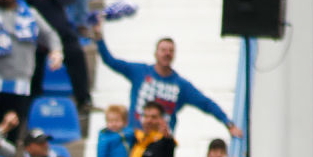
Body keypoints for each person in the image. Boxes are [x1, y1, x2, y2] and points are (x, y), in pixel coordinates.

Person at [95, 23, 240, 134]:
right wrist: (99, 38)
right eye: (163, 50)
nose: (167, 54)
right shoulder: (139, 71)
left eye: (171, 51)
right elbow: (110, 61)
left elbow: (206, 103)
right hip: (136, 137)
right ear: (155, 53)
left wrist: (228, 123)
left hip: (161, 145)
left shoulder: (180, 85)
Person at [0, 0, 62, 131]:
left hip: (18, 86)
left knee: (13, 134)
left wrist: (56, 51)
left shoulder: (30, 14)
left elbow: (50, 34)